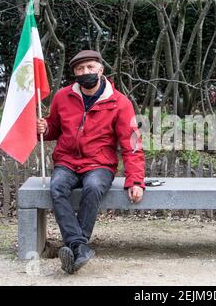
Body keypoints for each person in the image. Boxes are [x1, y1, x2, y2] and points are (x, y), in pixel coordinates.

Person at [37, 50, 145, 274]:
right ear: (75, 73)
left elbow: (131, 144)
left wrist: (135, 180)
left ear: (100, 70)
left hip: (100, 164)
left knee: (94, 186)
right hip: (67, 161)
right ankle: (79, 246)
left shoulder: (120, 102)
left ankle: (75, 245)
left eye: (90, 67)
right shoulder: (63, 97)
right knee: (57, 186)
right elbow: (55, 128)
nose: (85, 72)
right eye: (80, 69)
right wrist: (45, 127)